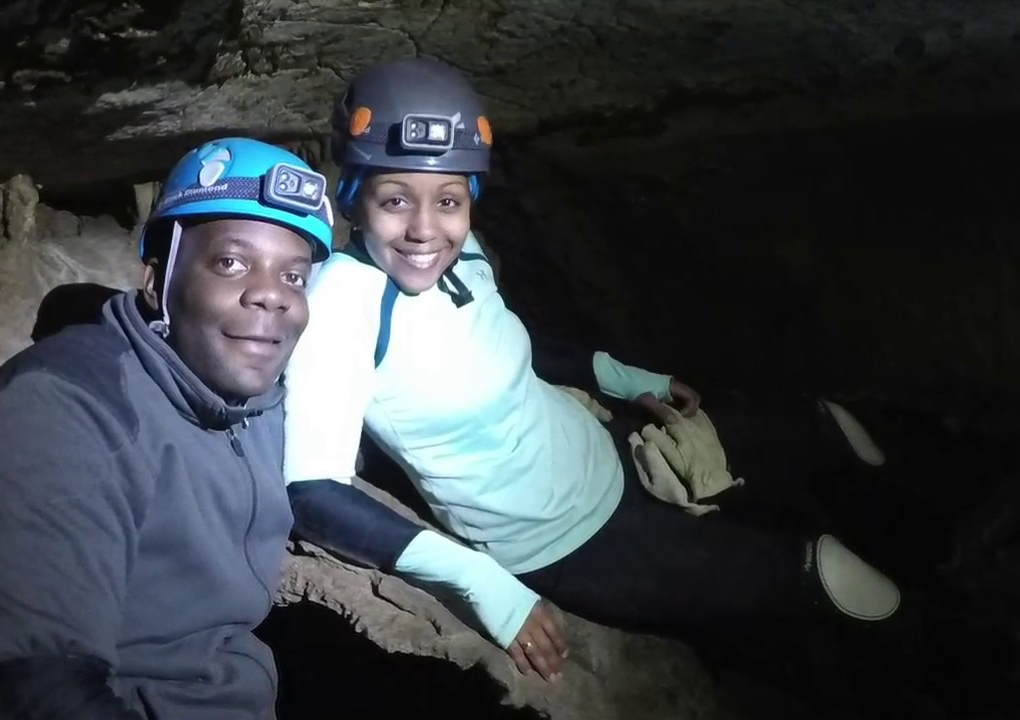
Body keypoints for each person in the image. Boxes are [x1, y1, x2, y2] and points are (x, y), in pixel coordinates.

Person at [279, 56, 949, 704]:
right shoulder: (342, 304)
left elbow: (500, 344)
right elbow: (311, 489)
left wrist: (622, 377)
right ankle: (948, 659)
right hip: (569, 545)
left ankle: (935, 536)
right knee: (812, 578)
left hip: (605, 450)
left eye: (448, 198)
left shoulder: (465, 255)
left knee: (815, 428)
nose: (425, 229)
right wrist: (483, 585)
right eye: (395, 198)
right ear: (353, 196)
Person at [0, 137, 334, 720]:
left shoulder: (253, 401)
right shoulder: (65, 409)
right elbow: (36, 685)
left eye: (294, 276)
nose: (271, 295)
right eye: (232, 262)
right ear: (158, 281)